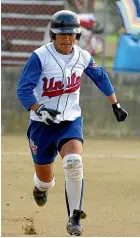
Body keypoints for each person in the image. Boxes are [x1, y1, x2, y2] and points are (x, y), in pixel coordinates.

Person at [17, 10, 128, 236]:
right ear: (53, 35)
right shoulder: (40, 56)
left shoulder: (82, 56)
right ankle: (41, 187)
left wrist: (115, 104)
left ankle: (74, 217)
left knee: (74, 162)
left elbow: (101, 77)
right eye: (62, 35)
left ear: (77, 36)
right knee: (46, 180)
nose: (67, 39)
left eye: (72, 34)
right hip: (42, 124)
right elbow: (23, 89)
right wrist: (39, 108)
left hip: (70, 121)